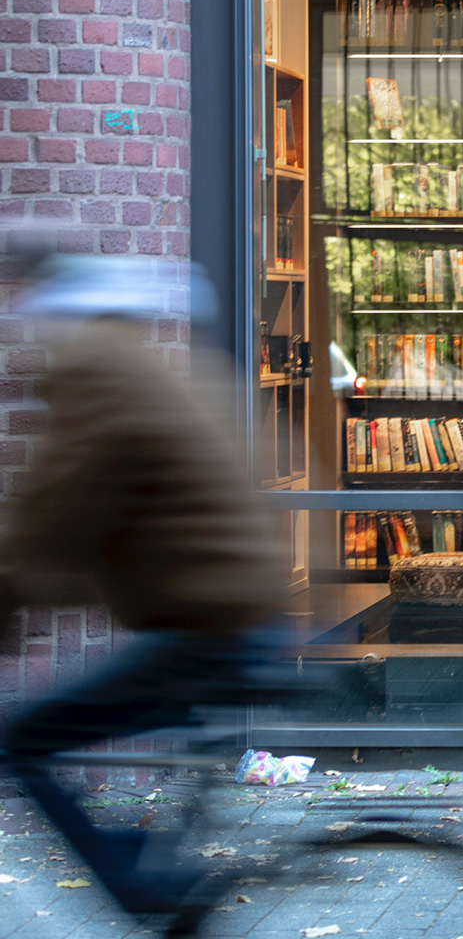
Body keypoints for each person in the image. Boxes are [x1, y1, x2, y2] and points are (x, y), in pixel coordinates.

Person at [0, 243, 283, 919]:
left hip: (206, 625)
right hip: (226, 613)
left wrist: (11, 590)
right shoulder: (145, 366)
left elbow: (56, 510)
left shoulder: (99, 373)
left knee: (23, 737)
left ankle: (143, 887)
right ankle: (158, 881)